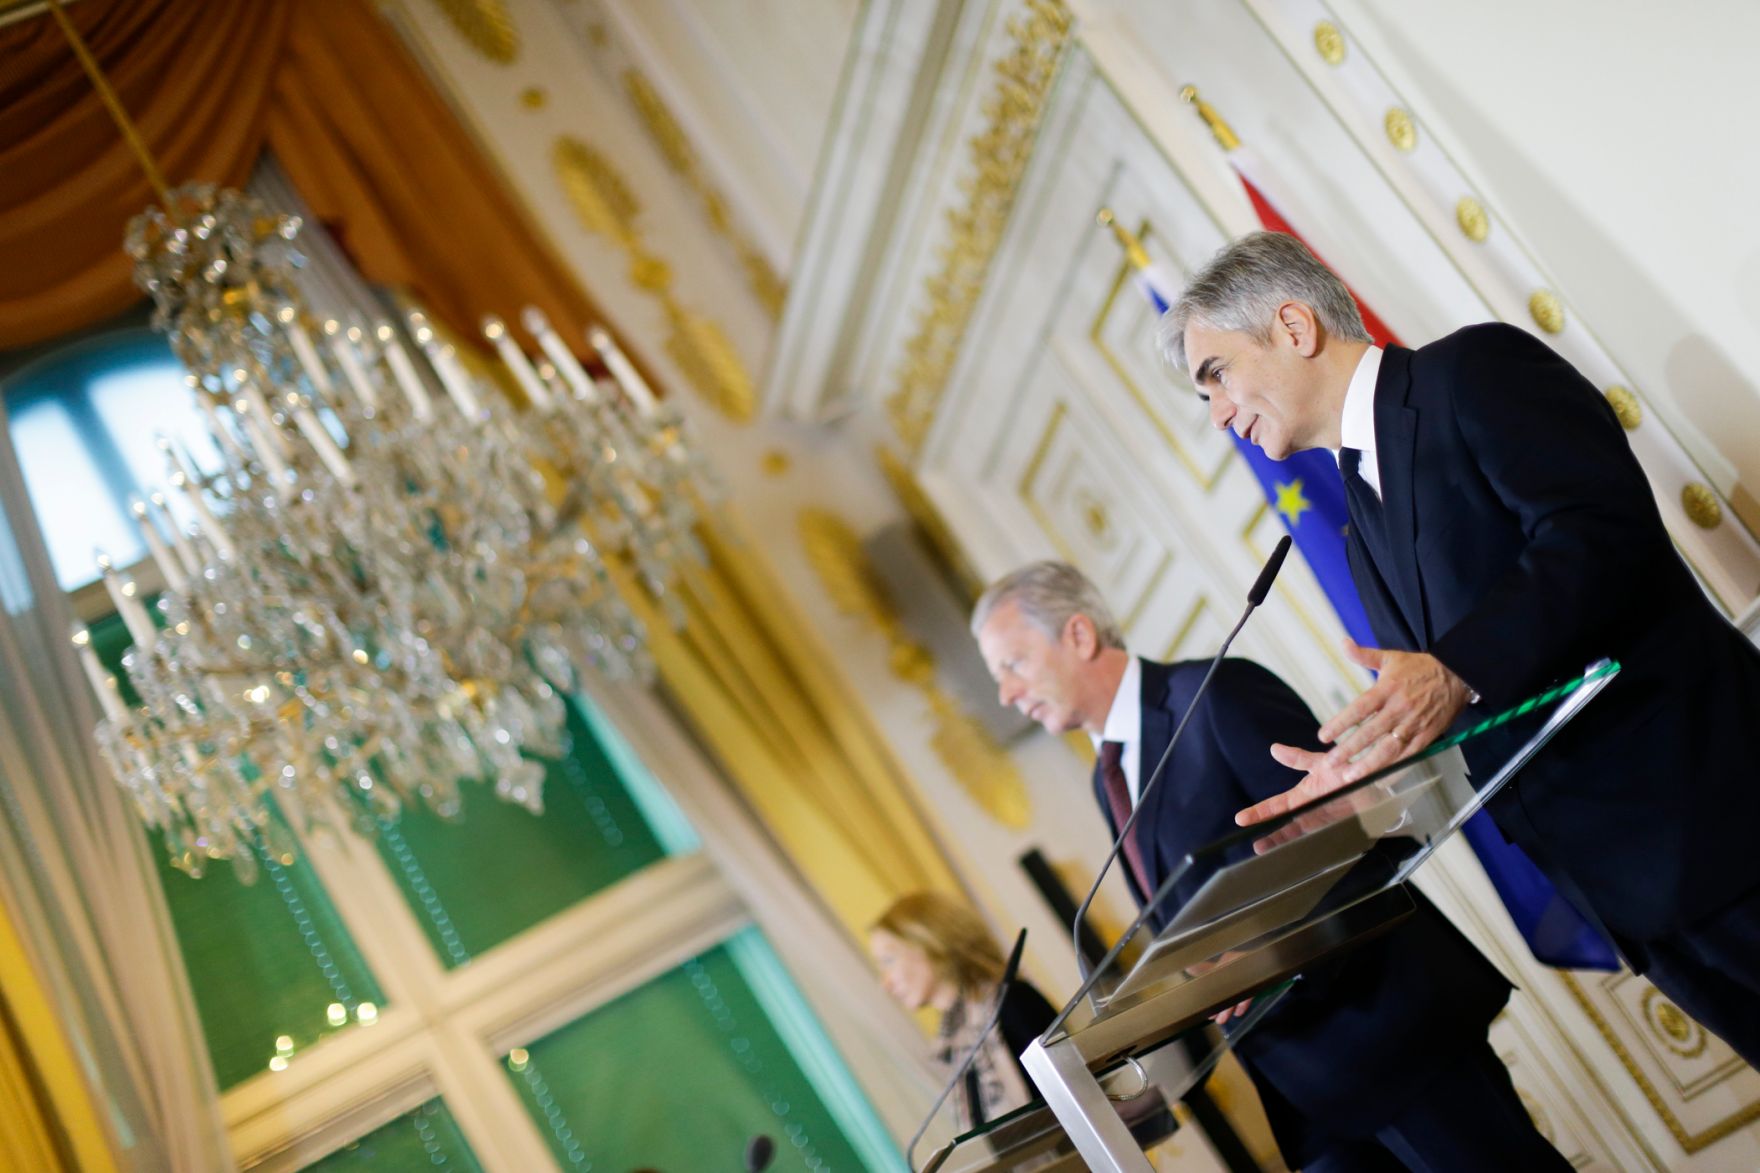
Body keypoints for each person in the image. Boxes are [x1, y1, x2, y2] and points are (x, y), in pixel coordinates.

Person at [1165, 230, 1760, 1066]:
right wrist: (1367, 784)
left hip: (1719, 818)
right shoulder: (1360, 532)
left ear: (1294, 327)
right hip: (1630, 898)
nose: (1220, 414)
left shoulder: (1473, 372)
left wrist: (1456, 669)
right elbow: (1462, 711)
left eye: (1217, 375)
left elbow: (1600, 530)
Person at [972, 562, 1571, 1172]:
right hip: (1305, 1099)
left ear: (1077, 635)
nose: (1006, 695)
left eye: (1013, 665)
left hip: (1389, 1040)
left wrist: (1268, 953)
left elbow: (1357, 842)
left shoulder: (1216, 695)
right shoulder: (1107, 783)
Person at [868, 892, 1057, 1132]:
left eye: (888, 961)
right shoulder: (952, 1046)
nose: (885, 983)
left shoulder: (1012, 1001)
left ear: (929, 943)